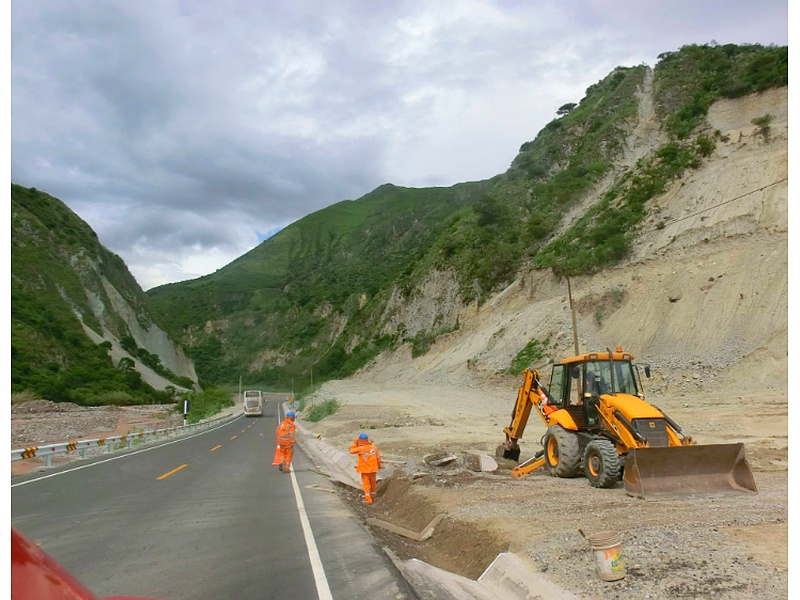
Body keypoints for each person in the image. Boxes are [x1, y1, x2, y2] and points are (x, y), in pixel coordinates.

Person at [349, 433, 382, 504]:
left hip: (365, 470)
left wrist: (355, 442)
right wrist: (379, 466)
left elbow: (351, 450)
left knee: (366, 485)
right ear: (367, 439)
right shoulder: (374, 447)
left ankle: (368, 499)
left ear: (360, 441)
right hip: (373, 469)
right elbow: (378, 458)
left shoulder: (361, 448)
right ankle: (373, 496)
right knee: (373, 483)